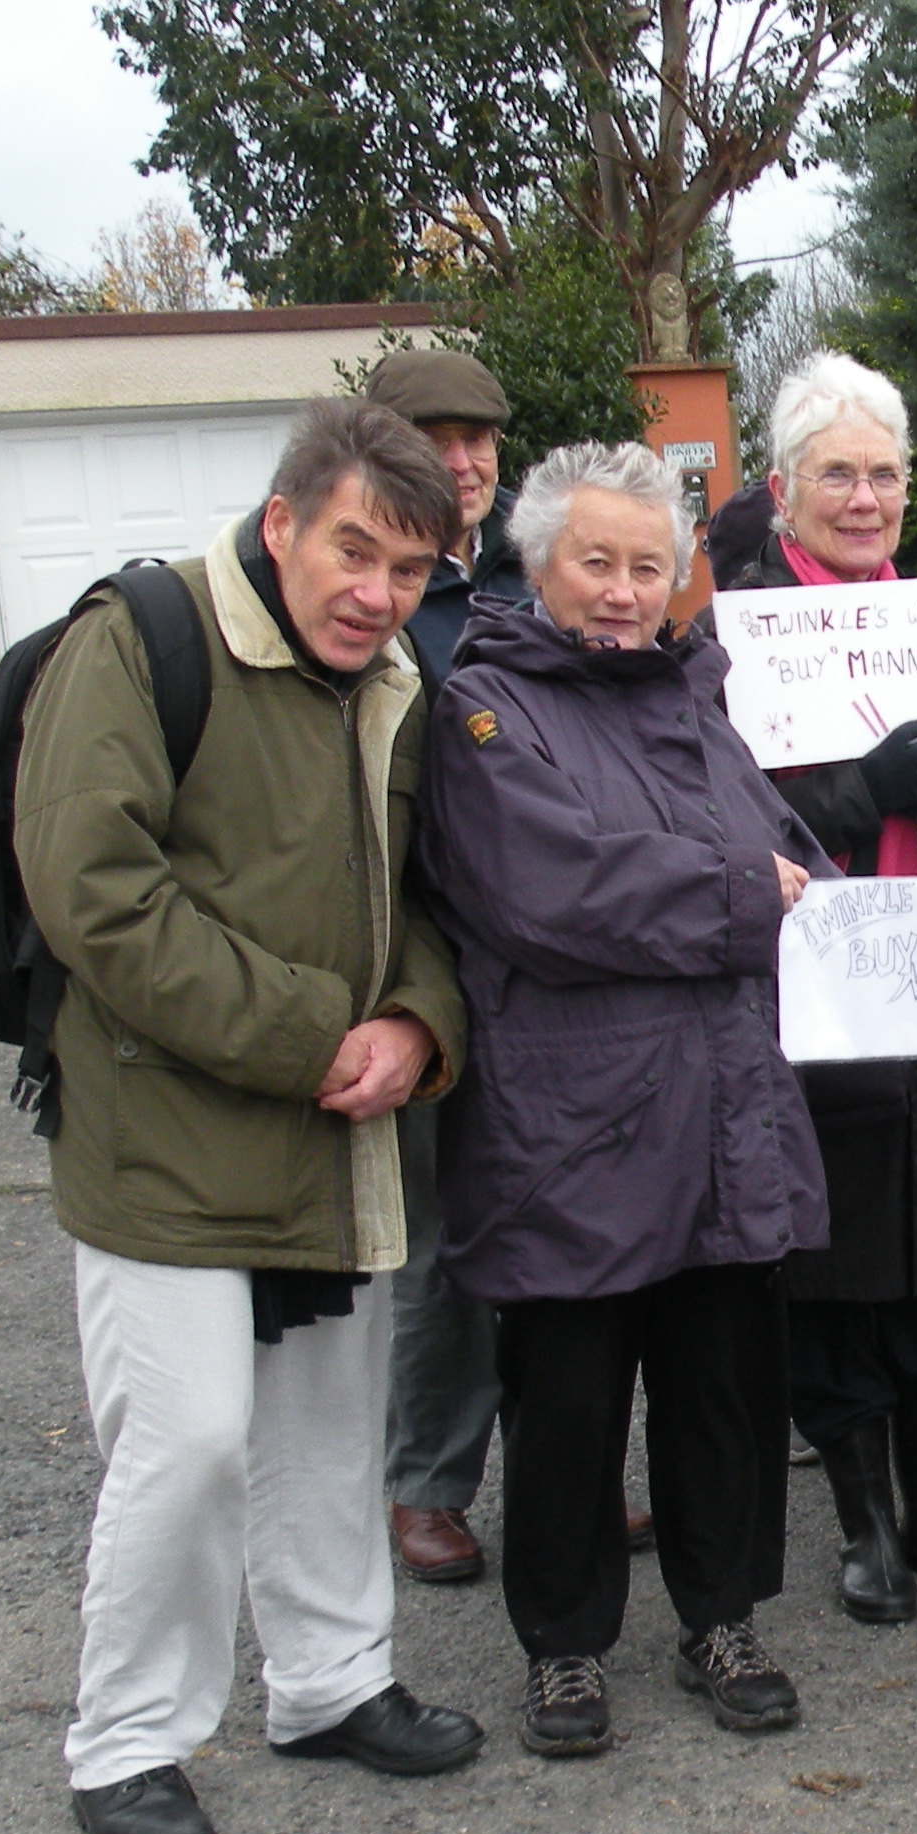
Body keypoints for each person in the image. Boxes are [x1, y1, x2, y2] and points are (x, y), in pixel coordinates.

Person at [17, 398, 482, 1834]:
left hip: (338, 1125)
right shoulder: (136, 641)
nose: (376, 592)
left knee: (329, 1428)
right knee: (190, 1440)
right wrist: (309, 1036)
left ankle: (332, 1682)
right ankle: (128, 1743)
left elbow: (423, 891)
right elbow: (92, 890)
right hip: (164, 1131)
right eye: (354, 550)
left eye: (409, 570)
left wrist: (416, 1025)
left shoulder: (395, 679)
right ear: (282, 523)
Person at [413, 441, 829, 1752]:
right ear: (538, 565)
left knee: (724, 1389)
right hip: (568, 1126)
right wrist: (735, 901)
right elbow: (549, 894)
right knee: (571, 1404)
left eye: (649, 565)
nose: (621, 589)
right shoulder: (485, 710)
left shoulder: (704, 698)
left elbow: (791, 857)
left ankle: (722, 1614)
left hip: (726, 1109)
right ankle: (565, 1644)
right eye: (595, 561)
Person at [723, 353, 917, 1624]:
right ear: (784, 489)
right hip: (822, 999)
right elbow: (729, 815)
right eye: (837, 474)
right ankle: (862, 1524)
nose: (864, 498)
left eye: (884, 473)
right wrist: (861, 795)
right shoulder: (735, 636)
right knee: (838, 1259)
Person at [363, 345, 521, 1588]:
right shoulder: (374, 597)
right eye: (438, 441)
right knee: (445, 1240)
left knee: (553, 1222)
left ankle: (556, 1465)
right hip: (423, 957)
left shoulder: (523, 570)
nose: (464, 464)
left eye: (480, 442)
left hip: (541, 952)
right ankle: (427, 1485)